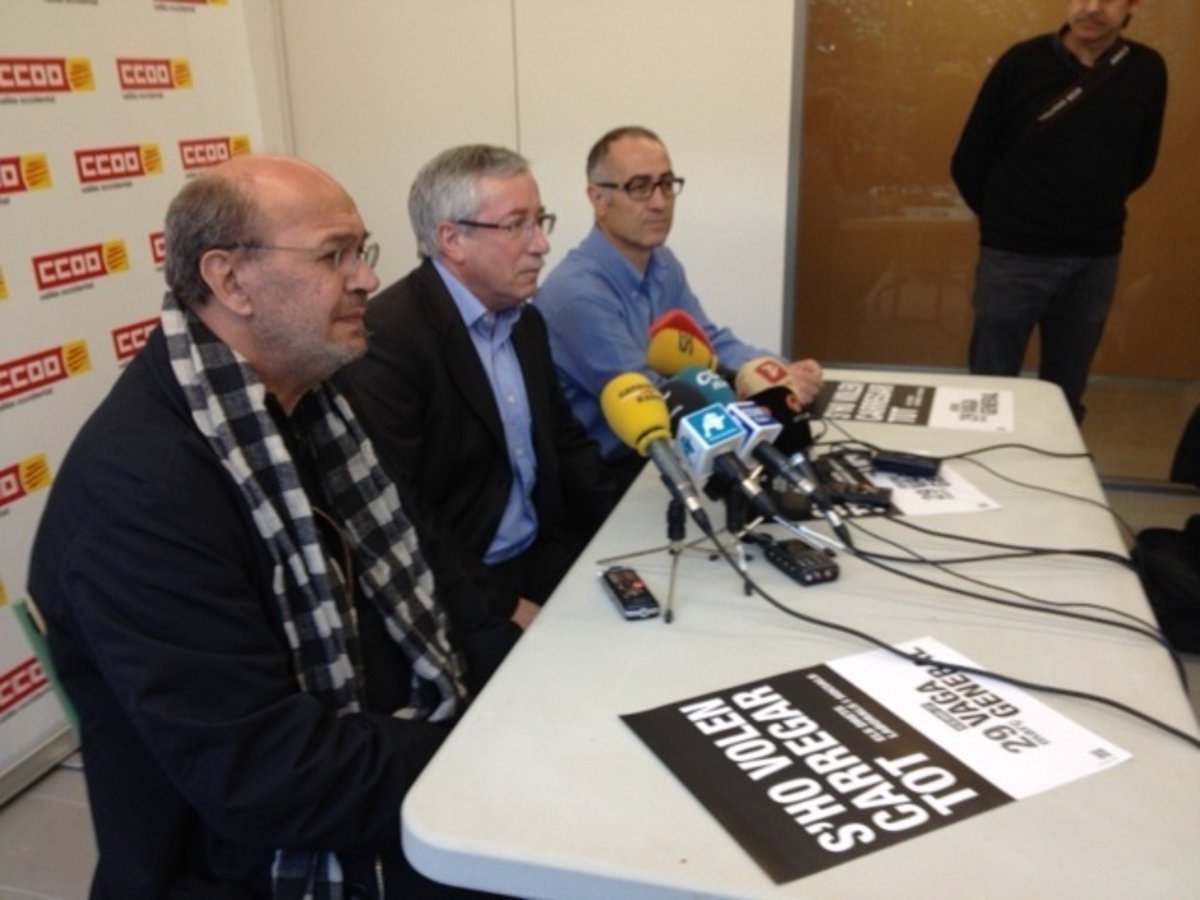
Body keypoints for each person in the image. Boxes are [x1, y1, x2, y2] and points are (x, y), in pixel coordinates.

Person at [27, 154, 521, 898]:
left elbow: (444, 581)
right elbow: (269, 778)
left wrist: (532, 695)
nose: (366, 278)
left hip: (388, 763)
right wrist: (493, 755)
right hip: (255, 867)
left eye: (361, 250)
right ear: (229, 280)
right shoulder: (142, 491)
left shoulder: (322, 403)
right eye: (333, 255)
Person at [339, 145, 616, 622]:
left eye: (539, 221)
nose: (540, 244)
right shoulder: (387, 341)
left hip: (543, 552)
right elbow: (406, 515)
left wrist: (625, 528)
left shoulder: (525, 323)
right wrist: (504, 607)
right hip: (456, 588)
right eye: (516, 225)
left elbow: (567, 445)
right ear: (451, 239)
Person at [535, 125, 823, 478]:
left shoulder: (662, 262)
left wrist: (775, 371)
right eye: (639, 187)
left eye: (666, 184)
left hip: (670, 456)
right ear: (598, 199)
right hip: (613, 476)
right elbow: (653, 396)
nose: (659, 202)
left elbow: (707, 344)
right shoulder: (577, 293)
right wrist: (768, 394)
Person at [951, 0, 1167, 422]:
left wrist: (1091, 208)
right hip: (1013, 256)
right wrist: (1008, 222)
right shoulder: (1022, 62)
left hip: (1095, 257)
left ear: (1133, 5)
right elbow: (969, 160)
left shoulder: (1146, 68)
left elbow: (1140, 162)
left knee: (1066, 395)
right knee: (990, 391)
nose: (1092, 8)